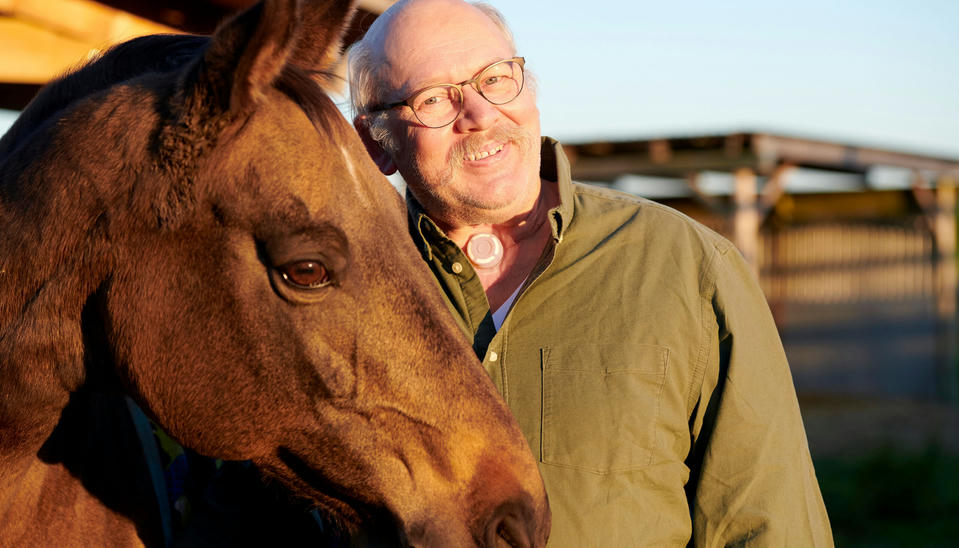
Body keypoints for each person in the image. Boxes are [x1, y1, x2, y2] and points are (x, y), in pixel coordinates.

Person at [348, 0, 833, 545]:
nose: (480, 114)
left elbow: (767, 521)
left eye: (495, 79)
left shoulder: (690, 266)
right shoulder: (342, 293)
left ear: (528, 87)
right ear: (375, 143)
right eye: (434, 98)